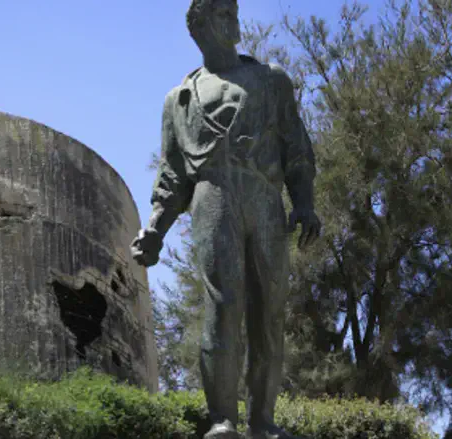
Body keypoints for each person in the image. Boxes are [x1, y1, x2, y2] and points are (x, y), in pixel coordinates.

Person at [130, 1, 321, 438]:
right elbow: (173, 174)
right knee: (224, 305)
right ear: (199, 28)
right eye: (221, 13)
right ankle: (222, 420)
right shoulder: (179, 100)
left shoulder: (271, 82)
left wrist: (305, 202)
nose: (234, 20)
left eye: (234, 11)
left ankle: (263, 420)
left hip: (264, 196)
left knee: (269, 311)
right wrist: (155, 230)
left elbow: (297, 147)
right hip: (212, 196)